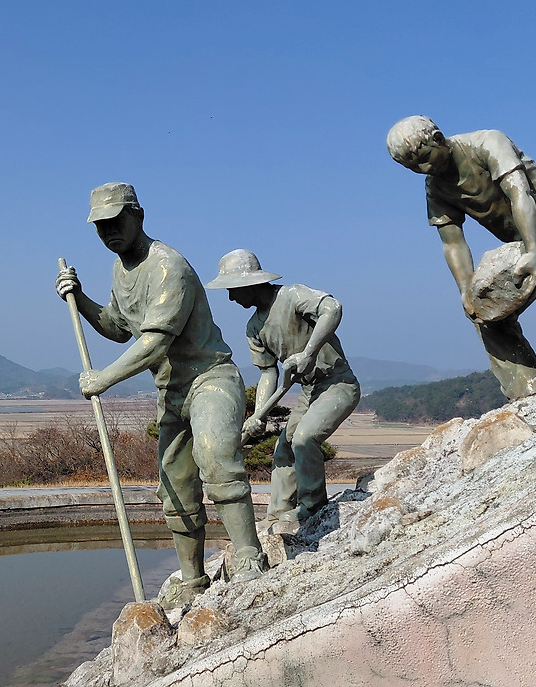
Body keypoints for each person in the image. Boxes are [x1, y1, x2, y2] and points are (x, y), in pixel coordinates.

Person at [55, 182, 267, 610]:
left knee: (214, 456)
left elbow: (153, 343)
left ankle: (248, 556)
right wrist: (80, 299)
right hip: (172, 390)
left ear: (139, 216)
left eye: (116, 221)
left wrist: (102, 380)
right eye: (100, 226)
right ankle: (193, 579)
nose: (109, 232)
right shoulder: (122, 270)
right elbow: (118, 327)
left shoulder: (170, 267)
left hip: (210, 378)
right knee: (174, 483)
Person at [386, 116, 536, 399]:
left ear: (438, 138)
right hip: (521, 244)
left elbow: (520, 193)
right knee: (481, 310)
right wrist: (466, 290)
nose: (422, 169)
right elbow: (452, 243)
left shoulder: (487, 142)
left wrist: (533, 250)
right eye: (411, 167)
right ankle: (526, 385)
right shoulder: (435, 188)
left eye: (424, 158)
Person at [206, 249, 360, 529]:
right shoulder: (254, 327)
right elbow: (268, 372)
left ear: (248, 284)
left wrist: (309, 352)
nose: (230, 298)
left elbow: (332, 308)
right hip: (309, 392)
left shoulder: (292, 295)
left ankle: (312, 506)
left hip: (337, 383)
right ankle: (277, 512)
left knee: (304, 439)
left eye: (232, 290)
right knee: (284, 448)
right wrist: (259, 414)